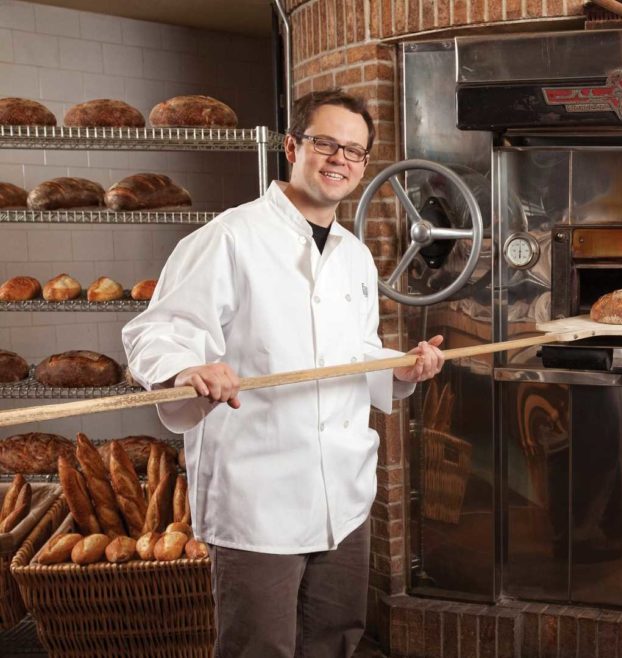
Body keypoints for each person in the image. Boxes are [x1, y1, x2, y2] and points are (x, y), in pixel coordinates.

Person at [122, 89, 445, 658]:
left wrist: (404, 369)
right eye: (326, 143)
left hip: (342, 495)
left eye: (354, 150)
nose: (339, 159)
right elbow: (157, 331)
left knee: (335, 640)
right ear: (293, 146)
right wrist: (187, 367)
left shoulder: (354, 254)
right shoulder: (229, 237)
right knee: (259, 648)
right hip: (259, 495)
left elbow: (356, 352)